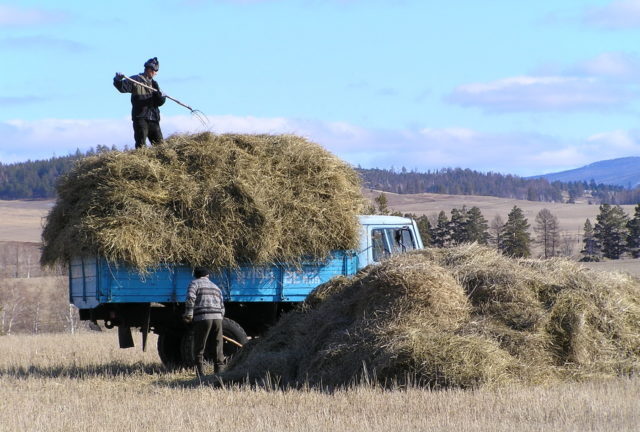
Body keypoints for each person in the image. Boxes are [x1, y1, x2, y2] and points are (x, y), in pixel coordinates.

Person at [113, 57, 167, 149]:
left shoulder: (155, 84)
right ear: (149, 69)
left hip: (154, 118)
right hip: (141, 118)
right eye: (154, 70)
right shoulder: (135, 80)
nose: (156, 73)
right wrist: (118, 80)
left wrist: (162, 97)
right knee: (141, 144)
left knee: (161, 147)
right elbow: (122, 88)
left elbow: (159, 103)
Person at [183, 266, 226, 376]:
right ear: (208, 275)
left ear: (196, 275)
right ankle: (219, 373)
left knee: (200, 345)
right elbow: (222, 306)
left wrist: (189, 314)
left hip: (203, 318)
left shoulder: (194, 284)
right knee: (218, 345)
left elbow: (190, 298)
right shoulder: (215, 286)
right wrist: (220, 317)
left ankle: (200, 374)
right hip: (217, 318)